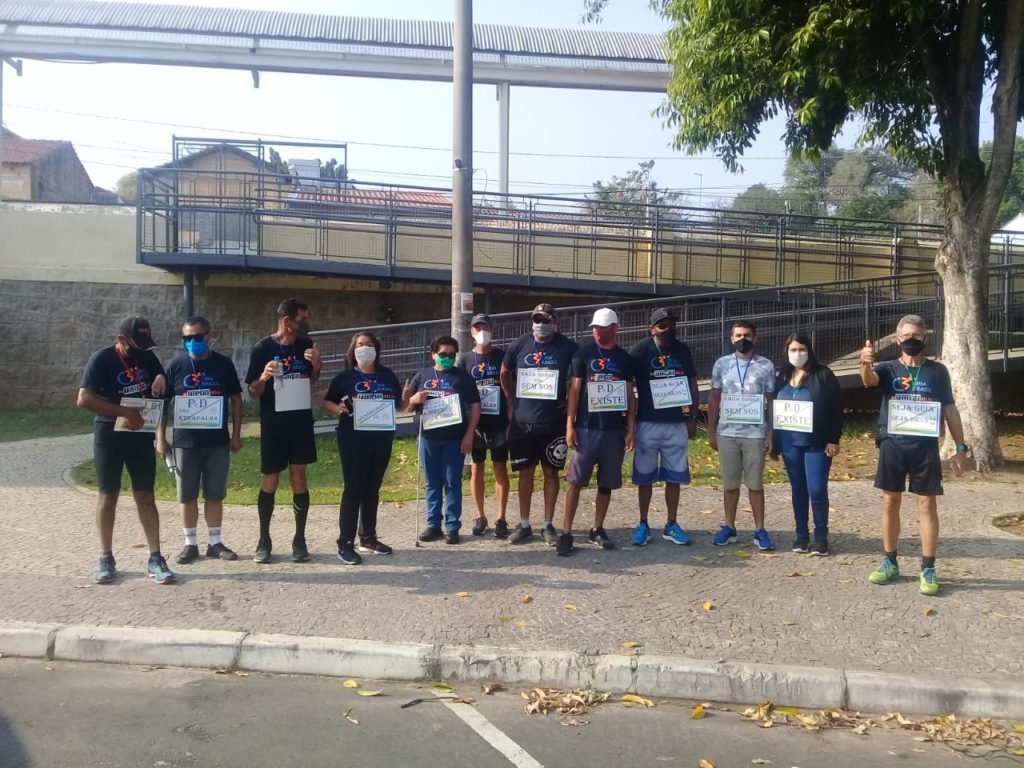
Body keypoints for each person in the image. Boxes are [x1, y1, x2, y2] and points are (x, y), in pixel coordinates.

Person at [859, 314, 969, 595]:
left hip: (925, 447)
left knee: (927, 505)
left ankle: (928, 567)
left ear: (925, 338)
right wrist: (865, 362)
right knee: (889, 502)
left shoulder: (937, 371)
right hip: (892, 443)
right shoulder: (887, 368)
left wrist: (960, 447)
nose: (911, 340)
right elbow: (869, 381)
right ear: (898, 340)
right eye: (906, 336)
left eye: (917, 336)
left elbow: (950, 409)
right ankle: (889, 561)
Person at [77, 316, 174, 584]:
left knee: (146, 496)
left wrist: (160, 378)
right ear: (121, 340)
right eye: (136, 344)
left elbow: (161, 384)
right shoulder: (102, 359)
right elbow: (84, 399)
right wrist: (123, 412)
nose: (142, 351)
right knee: (108, 496)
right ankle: (105, 557)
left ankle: (156, 557)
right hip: (110, 434)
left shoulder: (145, 356)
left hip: (140, 434)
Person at [157, 316, 244, 565]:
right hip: (185, 442)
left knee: (215, 493)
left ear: (209, 335)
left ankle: (215, 543)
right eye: (187, 338)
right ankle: (190, 544)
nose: (192, 342)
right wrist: (160, 438)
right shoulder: (176, 366)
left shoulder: (223, 364)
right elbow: (163, 404)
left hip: (217, 441)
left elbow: (237, 400)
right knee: (186, 495)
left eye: (197, 337)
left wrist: (236, 435)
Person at [245, 298, 321, 564]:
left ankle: (299, 539)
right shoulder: (262, 348)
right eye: (302, 319)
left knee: (299, 477)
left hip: (300, 423)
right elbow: (253, 392)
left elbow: (311, 382)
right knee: (271, 479)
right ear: (287, 321)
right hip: (274, 425)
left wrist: (317, 366)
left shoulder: (306, 345)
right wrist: (264, 377)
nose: (306, 324)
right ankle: (264, 539)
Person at [557, 309, 636, 556]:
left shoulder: (624, 359)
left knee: (607, 483)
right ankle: (567, 532)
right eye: (594, 327)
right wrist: (570, 426)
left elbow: (631, 396)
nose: (597, 332)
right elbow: (575, 393)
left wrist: (631, 428)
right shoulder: (583, 354)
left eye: (602, 328)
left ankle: (597, 528)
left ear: (615, 328)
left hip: (613, 430)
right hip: (587, 427)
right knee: (575, 481)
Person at [499, 303, 579, 545]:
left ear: (555, 321)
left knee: (551, 473)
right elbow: (504, 372)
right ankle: (523, 524)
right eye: (537, 320)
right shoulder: (519, 344)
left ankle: (547, 524)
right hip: (523, 422)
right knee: (525, 472)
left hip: (553, 422)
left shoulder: (568, 347)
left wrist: (569, 403)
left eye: (545, 320)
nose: (540, 325)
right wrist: (511, 398)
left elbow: (577, 380)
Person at [323, 332, 403, 565]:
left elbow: (398, 404)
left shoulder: (387, 375)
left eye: (369, 344)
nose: (364, 348)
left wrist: (408, 398)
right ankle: (344, 543)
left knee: (372, 488)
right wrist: (338, 408)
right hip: (353, 440)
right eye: (360, 345)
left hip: (381, 439)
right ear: (353, 350)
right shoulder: (344, 377)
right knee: (353, 489)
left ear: (376, 349)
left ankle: (368, 537)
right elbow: (328, 402)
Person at [629, 308, 700, 547]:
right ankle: (643, 523)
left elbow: (692, 382)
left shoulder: (682, 349)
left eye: (671, 324)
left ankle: (671, 523)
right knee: (645, 478)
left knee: (674, 476)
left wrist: (692, 416)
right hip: (647, 423)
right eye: (662, 325)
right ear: (651, 328)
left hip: (675, 423)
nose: (667, 328)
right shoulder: (640, 350)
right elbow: (626, 384)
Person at [769, 332, 843, 556]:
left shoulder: (823, 375)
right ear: (786, 352)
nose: (798, 354)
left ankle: (821, 536)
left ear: (809, 351)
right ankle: (801, 535)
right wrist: (772, 439)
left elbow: (836, 408)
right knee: (798, 490)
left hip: (817, 443)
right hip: (790, 444)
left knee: (817, 490)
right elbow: (772, 408)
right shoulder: (781, 377)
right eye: (793, 350)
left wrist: (833, 439)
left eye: (802, 349)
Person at [707, 319, 777, 551]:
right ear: (731, 338)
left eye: (747, 335)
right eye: (738, 335)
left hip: (755, 433)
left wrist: (770, 433)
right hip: (727, 432)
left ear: (754, 338)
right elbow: (714, 397)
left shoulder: (765, 365)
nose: (742, 339)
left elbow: (771, 401)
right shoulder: (722, 364)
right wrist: (711, 430)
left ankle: (760, 529)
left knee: (755, 484)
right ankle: (729, 526)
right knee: (730, 484)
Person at [404, 335, 481, 544]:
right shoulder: (422, 375)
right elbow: (405, 407)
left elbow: (475, 406)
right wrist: (413, 399)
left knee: (452, 482)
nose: (446, 358)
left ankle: (452, 526)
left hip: (454, 439)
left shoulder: (462, 377)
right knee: (432, 482)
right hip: (428, 437)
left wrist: (469, 434)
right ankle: (433, 525)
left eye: (450, 355)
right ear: (433, 355)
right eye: (442, 354)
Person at [460, 314, 511, 538]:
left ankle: (501, 517)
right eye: (477, 328)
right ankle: (480, 516)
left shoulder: (502, 356)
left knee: (500, 468)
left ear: (493, 330)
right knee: (476, 468)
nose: (482, 331)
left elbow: (510, 390)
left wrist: (511, 419)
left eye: (486, 327)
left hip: (499, 422)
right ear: (471, 332)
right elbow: (458, 392)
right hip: (476, 424)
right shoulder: (464, 360)